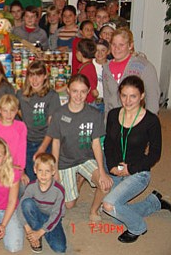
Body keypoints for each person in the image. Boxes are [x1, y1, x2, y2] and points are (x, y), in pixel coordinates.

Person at [103, 76, 170, 243]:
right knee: (116, 216)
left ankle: (138, 227)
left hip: (138, 172)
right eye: (124, 95)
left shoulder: (151, 121)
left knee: (109, 206)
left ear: (141, 96)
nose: (127, 100)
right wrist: (111, 166)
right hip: (116, 171)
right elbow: (108, 144)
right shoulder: (113, 115)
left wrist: (130, 169)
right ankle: (154, 203)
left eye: (133, 96)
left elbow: (155, 154)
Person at [47, 74, 113, 222]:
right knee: (69, 205)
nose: (78, 95)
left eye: (83, 91)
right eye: (75, 91)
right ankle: (79, 179)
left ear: (88, 91)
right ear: (68, 91)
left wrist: (102, 172)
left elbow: (96, 144)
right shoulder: (59, 114)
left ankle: (94, 210)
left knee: (105, 185)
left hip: (86, 158)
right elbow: (55, 143)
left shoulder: (95, 114)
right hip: (66, 161)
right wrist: (55, 169)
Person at [17, 61, 61, 182]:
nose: (35, 80)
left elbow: (52, 126)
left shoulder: (52, 96)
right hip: (27, 141)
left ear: (45, 76)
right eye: (31, 76)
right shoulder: (20, 94)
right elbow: (18, 113)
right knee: (31, 178)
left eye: (39, 75)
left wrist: (42, 147)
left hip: (45, 141)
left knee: (45, 177)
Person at [102, 28, 160, 118]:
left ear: (130, 45)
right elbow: (107, 99)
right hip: (115, 119)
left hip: (136, 119)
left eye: (121, 45)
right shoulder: (106, 68)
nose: (117, 48)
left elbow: (152, 97)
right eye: (113, 44)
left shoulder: (144, 66)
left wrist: (149, 122)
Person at [18, 153, 67, 253]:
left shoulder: (59, 190)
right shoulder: (31, 187)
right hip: (37, 215)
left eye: (47, 171)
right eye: (40, 170)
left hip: (52, 218)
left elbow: (57, 214)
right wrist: (29, 231)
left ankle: (42, 231)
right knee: (27, 203)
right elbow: (19, 208)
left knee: (60, 248)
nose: (43, 175)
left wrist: (40, 232)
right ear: (35, 170)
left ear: (53, 171)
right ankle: (37, 236)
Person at [76, 38, 98, 104]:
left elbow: (94, 91)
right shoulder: (87, 66)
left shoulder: (87, 69)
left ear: (79, 53)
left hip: (88, 102)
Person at [93, 39, 110, 113]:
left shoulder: (112, 65)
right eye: (97, 50)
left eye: (103, 50)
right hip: (93, 102)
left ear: (108, 51)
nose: (99, 53)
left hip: (108, 102)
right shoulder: (89, 64)